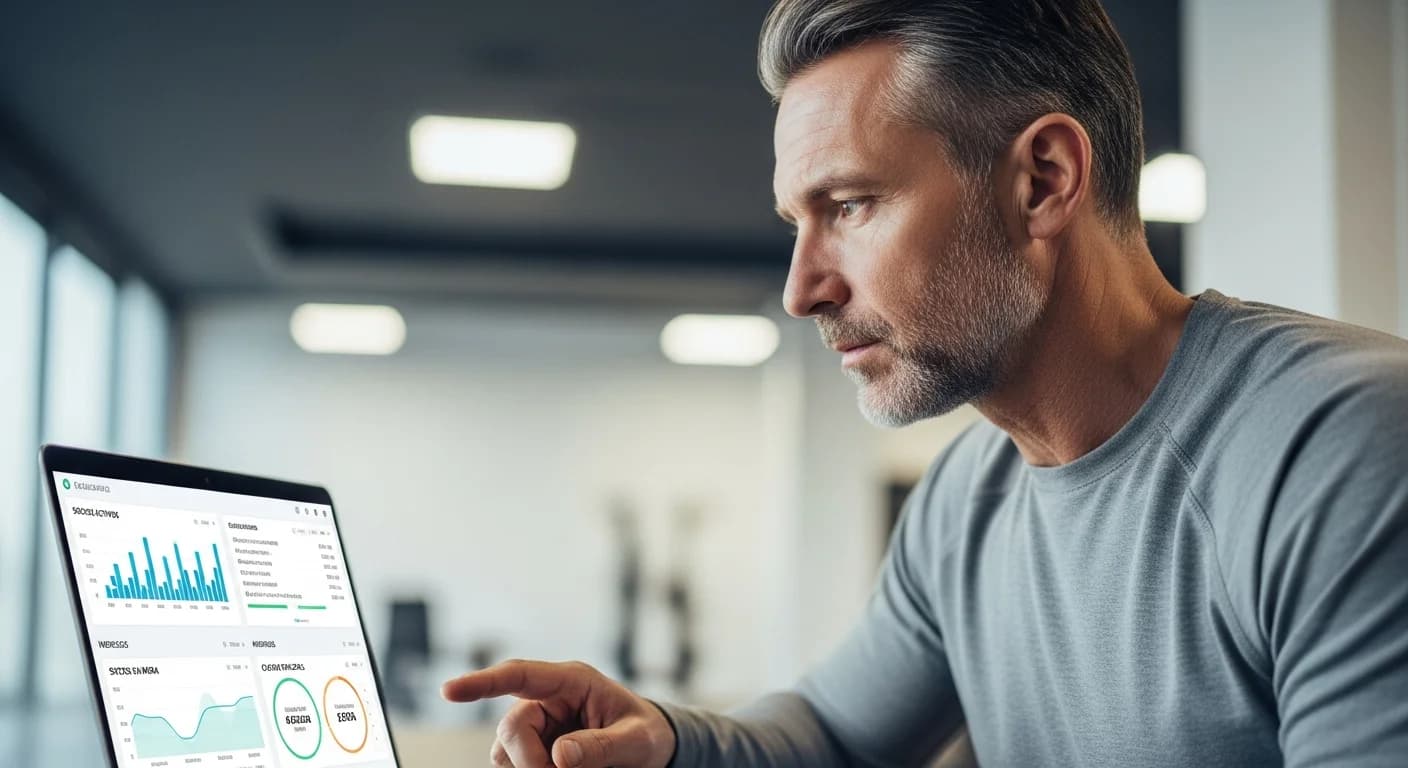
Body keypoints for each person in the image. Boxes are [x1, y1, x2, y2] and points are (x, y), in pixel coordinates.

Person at [441, 1, 1408, 765]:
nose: (802, 290)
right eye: (797, 223)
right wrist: (665, 739)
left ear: (1042, 180)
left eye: (850, 205)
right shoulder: (966, 501)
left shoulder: (1341, 447)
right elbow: (833, 735)